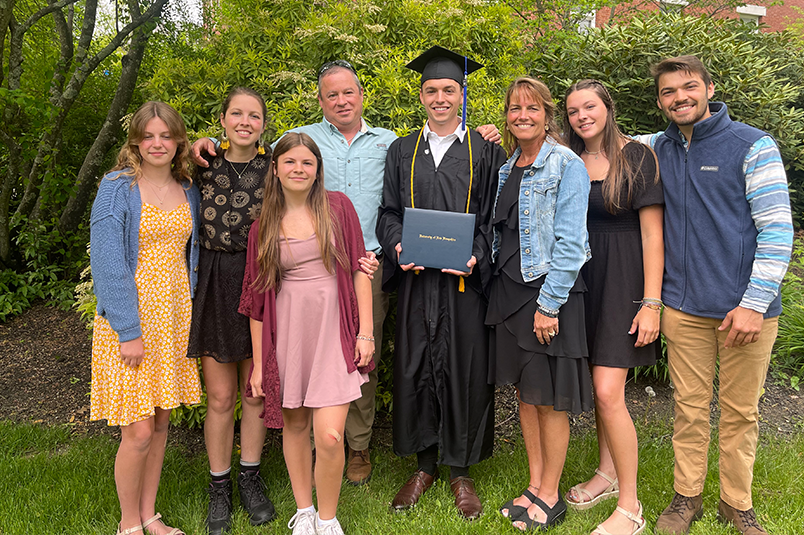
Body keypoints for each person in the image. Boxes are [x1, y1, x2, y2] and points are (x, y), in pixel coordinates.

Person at [192, 60, 499, 485]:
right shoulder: (307, 143)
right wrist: (206, 142)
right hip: (307, 273)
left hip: (367, 267)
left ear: (361, 96)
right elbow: (251, 148)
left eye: (348, 92)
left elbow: (477, 212)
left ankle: (357, 446)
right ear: (320, 101)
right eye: (331, 94)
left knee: (361, 358)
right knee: (305, 358)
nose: (341, 100)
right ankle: (313, 442)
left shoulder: (391, 143)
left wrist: (413, 249)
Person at [637, 56, 793, 535]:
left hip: (745, 312)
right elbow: (595, 140)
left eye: (688, 87)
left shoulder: (752, 145)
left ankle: (736, 503)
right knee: (687, 408)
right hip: (683, 309)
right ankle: (687, 499)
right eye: (668, 92)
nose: (679, 98)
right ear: (659, 100)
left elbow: (777, 230)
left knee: (742, 411)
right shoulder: (654, 148)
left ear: (708, 87)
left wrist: (753, 303)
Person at [376, 46, 507, 520]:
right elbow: (389, 213)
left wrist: (476, 255)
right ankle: (424, 465)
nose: (439, 98)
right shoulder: (401, 149)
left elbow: (495, 219)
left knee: (464, 367)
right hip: (416, 282)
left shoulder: (486, 152)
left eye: (448, 89)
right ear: (421, 95)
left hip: (463, 285)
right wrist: (397, 248)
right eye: (431, 90)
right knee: (415, 365)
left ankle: (461, 471)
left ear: (461, 93)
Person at [238, 132, 374, 535]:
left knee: (331, 436)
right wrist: (261, 366)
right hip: (289, 333)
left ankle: (328, 519)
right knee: (295, 426)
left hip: (334, 329)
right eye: (291, 162)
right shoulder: (262, 227)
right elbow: (257, 301)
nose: (299, 169)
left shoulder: (339, 208)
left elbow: (359, 270)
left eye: (307, 163)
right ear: (276, 170)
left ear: (317, 170)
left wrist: (365, 333)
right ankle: (305, 512)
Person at [89, 101, 201, 535]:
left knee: (159, 423)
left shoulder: (187, 186)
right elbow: (107, 262)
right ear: (136, 141)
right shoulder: (117, 188)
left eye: (166, 135)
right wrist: (128, 330)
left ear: (178, 142)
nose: (158, 143)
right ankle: (127, 522)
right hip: (130, 323)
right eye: (149, 136)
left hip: (175, 319)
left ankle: (150, 515)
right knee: (137, 431)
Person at [488, 77, 593, 531]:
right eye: (514, 109)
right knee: (525, 396)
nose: (522, 116)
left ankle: (551, 495)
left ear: (547, 115)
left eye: (531, 108)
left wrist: (549, 305)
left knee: (549, 399)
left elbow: (572, 243)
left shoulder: (566, 164)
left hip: (547, 293)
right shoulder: (507, 167)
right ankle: (534, 484)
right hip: (510, 292)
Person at [562, 79, 663, 535]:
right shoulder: (567, 160)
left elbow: (652, 236)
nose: (581, 116)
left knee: (607, 392)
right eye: (572, 111)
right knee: (597, 389)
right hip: (581, 282)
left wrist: (651, 302)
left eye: (590, 107)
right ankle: (605, 475)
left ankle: (631, 505)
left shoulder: (636, 157)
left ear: (608, 108)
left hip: (623, 282)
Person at [186, 87, 275, 534]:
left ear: (264, 124)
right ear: (221, 120)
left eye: (253, 115)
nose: (245, 121)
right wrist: (192, 144)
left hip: (261, 280)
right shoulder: (202, 165)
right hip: (216, 280)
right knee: (220, 396)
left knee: (255, 393)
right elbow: (156, 153)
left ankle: (250, 478)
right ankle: (218, 486)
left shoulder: (275, 166)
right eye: (236, 114)